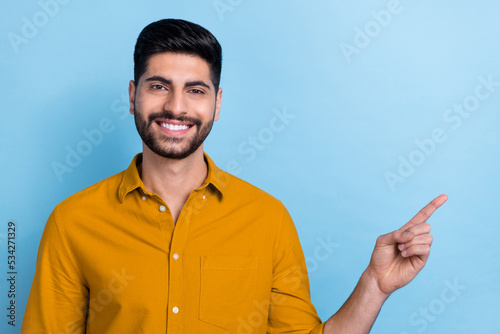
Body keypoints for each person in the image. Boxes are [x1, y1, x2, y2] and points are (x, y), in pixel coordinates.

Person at [21, 18, 447, 333]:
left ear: (217, 103)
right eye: (158, 86)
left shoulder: (267, 219)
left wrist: (375, 284)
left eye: (195, 90)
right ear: (133, 95)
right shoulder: (73, 221)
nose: (175, 106)